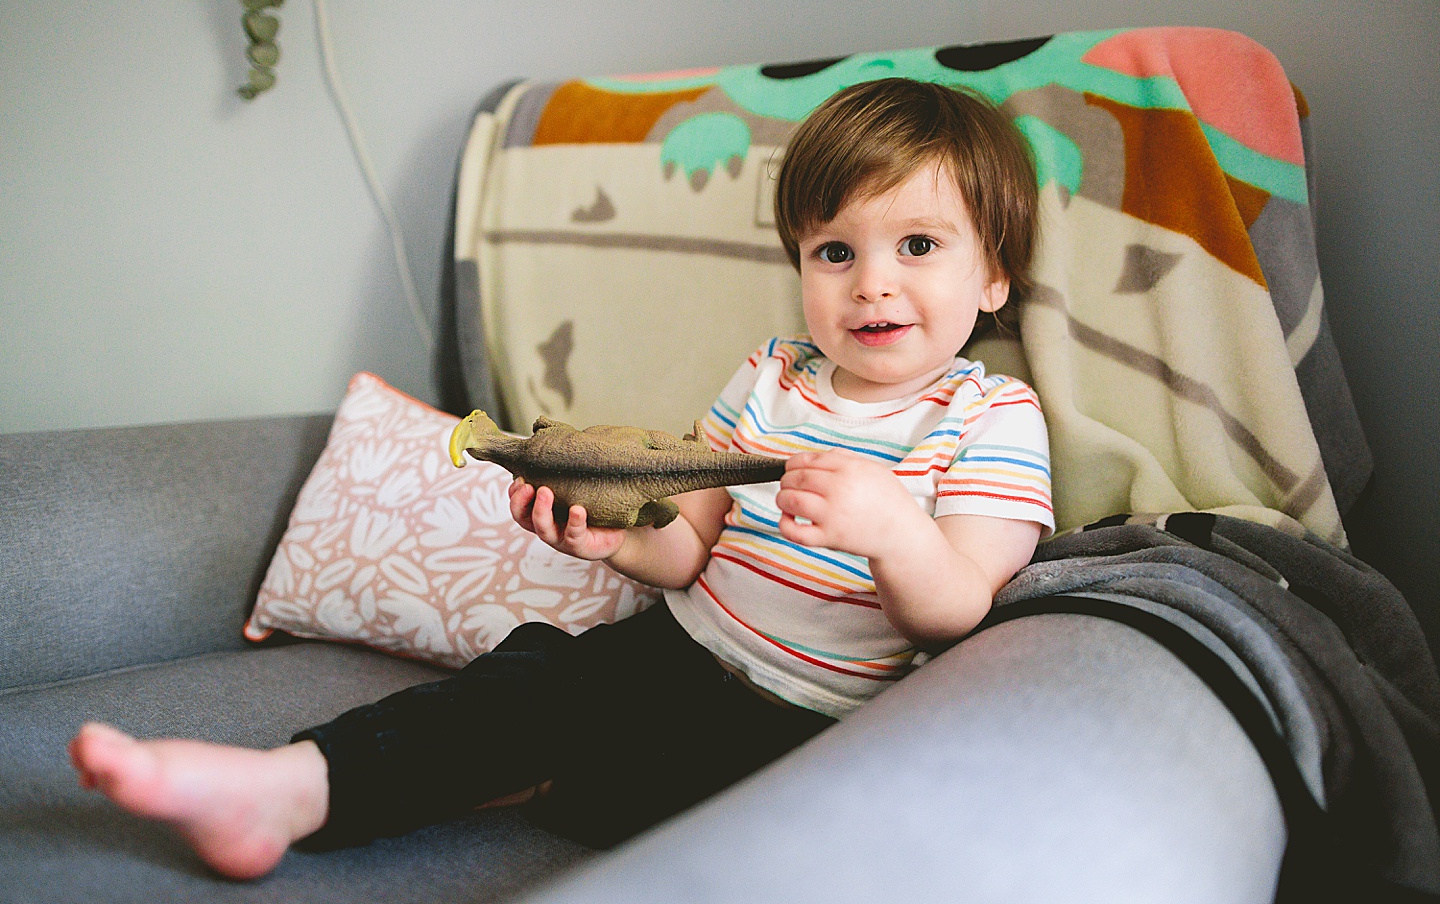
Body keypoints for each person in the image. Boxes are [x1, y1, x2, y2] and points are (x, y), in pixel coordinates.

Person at [67, 77, 1053, 880]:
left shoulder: (987, 416)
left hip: (808, 720)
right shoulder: (771, 375)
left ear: (995, 276)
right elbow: (689, 546)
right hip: (676, 651)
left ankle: (537, 779)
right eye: (834, 251)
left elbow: (957, 610)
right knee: (534, 676)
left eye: (918, 246)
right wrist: (620, 539)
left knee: (752, 813)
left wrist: (896, 532)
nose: (872, 282)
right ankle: (287, 786)